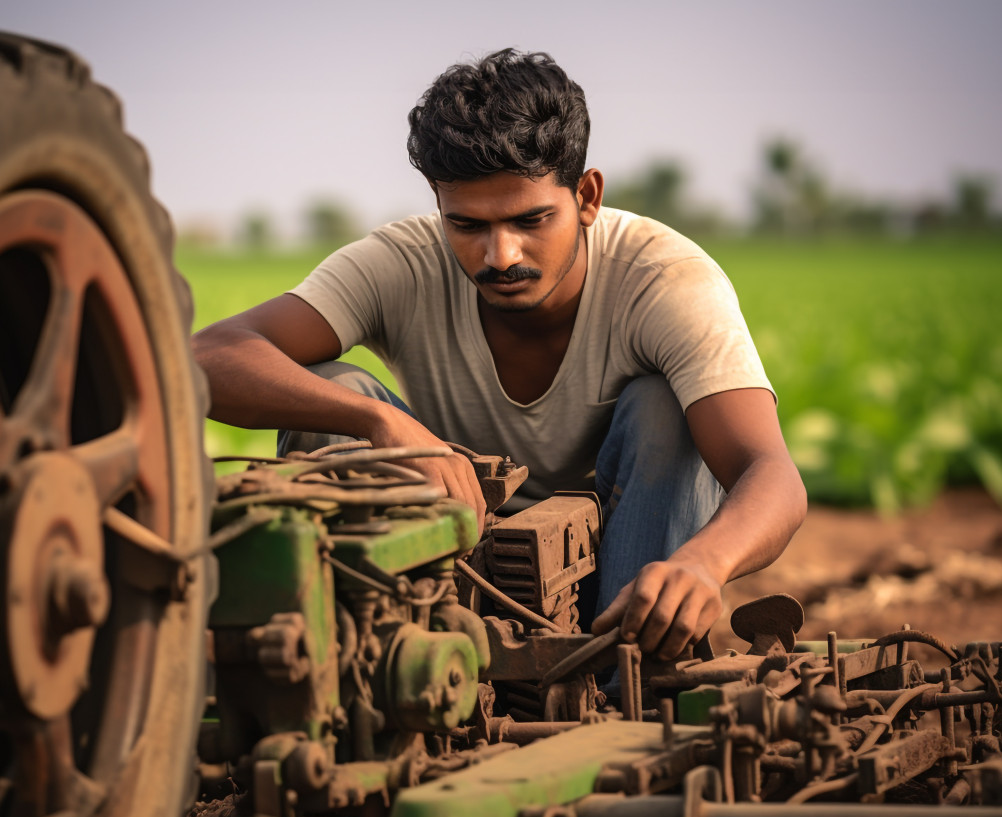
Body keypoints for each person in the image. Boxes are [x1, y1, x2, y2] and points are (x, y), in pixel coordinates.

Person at [192, 49, 806, 660]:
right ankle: (371, 683)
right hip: (449, 578)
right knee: (329, 391)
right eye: (468, 226)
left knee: (666, 405)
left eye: (531, 219)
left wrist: (704, 563)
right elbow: (208, 355)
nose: (500, 255)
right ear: (438, 205)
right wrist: (378, 420)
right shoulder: (400, 262)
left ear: (587, 197)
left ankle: (628, 690)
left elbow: (770, 472)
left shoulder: (665, 279)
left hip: (616, 589)